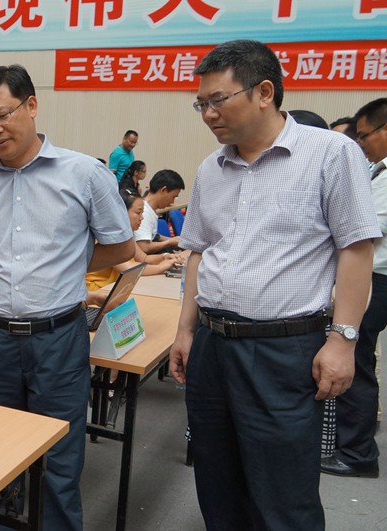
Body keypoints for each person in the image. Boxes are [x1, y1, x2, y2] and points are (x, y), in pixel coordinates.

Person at [169, 40, 380, 531]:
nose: (208, 114)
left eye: (218, 100)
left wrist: (343, 339)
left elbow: (356, 249)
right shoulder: (211, 167)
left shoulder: (330, 154)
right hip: (212, 347)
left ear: (264, 92)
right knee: (217, 481)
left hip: (282, 350)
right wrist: (185, 331)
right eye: (201, 104)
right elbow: (199, 250)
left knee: (283, 493)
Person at [0, 64, 135, 529]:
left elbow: (121, 247)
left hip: (58, 337)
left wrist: (64, 263)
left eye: (2, 114)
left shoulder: (85, 173)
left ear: (32, 105)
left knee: (60, 457)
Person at [321, 98, 387, 480]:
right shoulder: (377, 171)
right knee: (361, 360)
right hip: (373, 277)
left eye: (364, 136)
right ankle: (355, 445)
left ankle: (357, 454)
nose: (360, 144)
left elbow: (363, 231)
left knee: (355, 362)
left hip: (375, 279)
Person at [86, 190, 185, 291]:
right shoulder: (108, 237)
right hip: (99, 290)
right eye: (138, 212)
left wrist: (164, 257)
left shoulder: (127, 235)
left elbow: (144, 259)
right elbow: (128, 268)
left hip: (117, 287)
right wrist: (161, 267)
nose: (142, 218)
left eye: (142, 213)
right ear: (121, 212)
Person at [133, 169, 184, 254]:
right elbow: (144, 247)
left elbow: (153, 236)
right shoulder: (144, 212)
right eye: (173, 197)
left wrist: (173, 240)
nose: (172, 202)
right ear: (164, 190)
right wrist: (170, 242)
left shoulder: (149, 209)